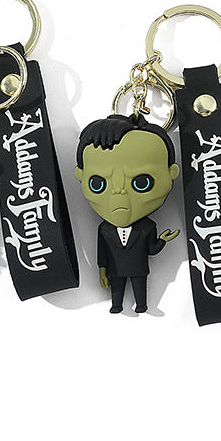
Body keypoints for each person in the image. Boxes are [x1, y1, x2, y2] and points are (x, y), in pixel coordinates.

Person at [75, 114, 180, 314]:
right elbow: (102, 253)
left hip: (138, 268)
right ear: (80, 176)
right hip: (116, 270)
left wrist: (162, 241)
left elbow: (151, 249)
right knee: (117, 288)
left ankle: (141, 304)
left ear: (171, 173)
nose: (119, 193)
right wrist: (102, 271)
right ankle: (117, 305)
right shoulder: (105, 230)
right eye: (98, 184)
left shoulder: (147, 227)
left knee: (140, 286)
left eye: (141, 182)